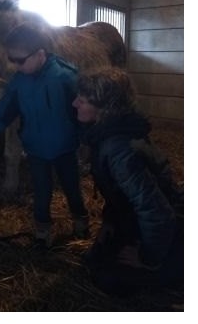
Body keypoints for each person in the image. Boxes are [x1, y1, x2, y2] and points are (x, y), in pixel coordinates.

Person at [0, 24, 88, 247]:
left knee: (72, 188)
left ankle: (81, 223)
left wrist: (89, 138)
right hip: (36, 150)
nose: (14, 65)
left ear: (39, 54)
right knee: (41, 192)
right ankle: (42, 233)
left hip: (65, 148)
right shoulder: (18, 82)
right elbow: (3, 114)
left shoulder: (66, 77)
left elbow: (82, 112)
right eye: (11, 59)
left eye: (20, 60)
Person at [73, 67, 182, 296]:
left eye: (82, 100)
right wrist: (110, 222)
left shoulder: (119, 150)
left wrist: (147, 258)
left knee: (109, 280)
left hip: (171, 223)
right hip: (138, 217)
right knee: (94, 260)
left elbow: (157, 212)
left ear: (103, 108)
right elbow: (120, 194)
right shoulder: (110, 133)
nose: (75, 104)